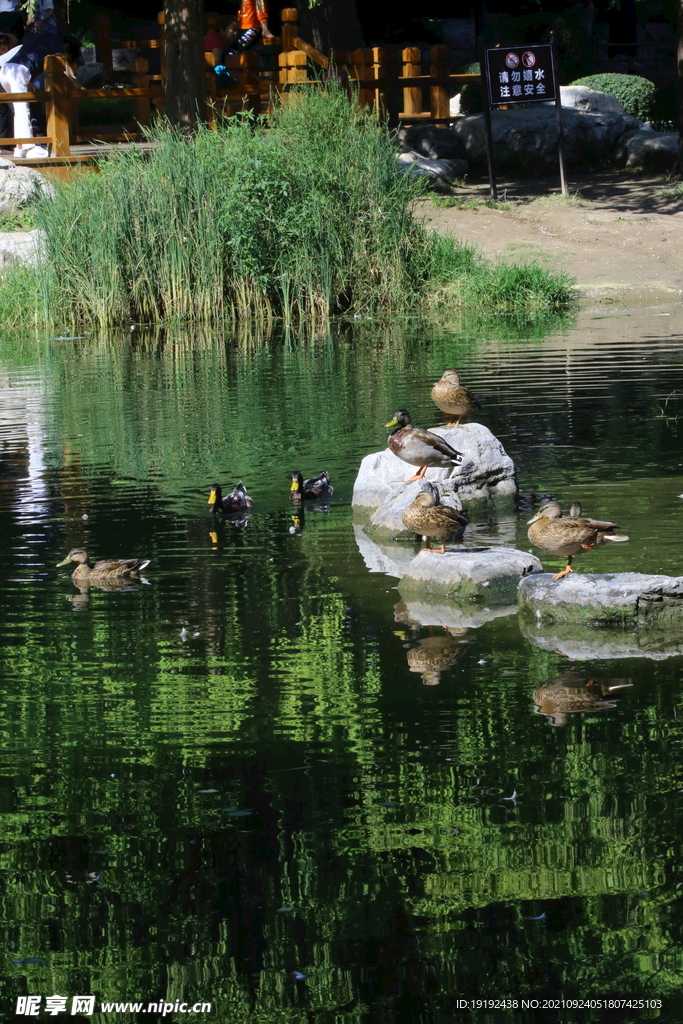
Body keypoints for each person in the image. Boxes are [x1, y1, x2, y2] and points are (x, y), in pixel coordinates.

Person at [0, 28, 79, 158]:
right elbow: (61, 63)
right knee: (22, 110)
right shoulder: (56, 40)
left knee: (17, 111)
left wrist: (30, 82)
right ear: (67, 45)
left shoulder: (38, 39)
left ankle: (20, 147)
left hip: (6, 69)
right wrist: (74, 81)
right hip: (19, 71)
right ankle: (30, 147)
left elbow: (33, 62)